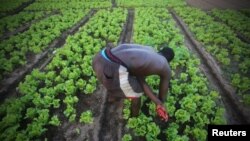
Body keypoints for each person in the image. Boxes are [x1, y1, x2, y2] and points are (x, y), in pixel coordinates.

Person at [92, 44, 174, 122]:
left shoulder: (150, 50)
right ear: (168, 61)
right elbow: (162, 93)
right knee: (137, 92)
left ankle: (113, 97)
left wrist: (157, 102)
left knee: (124, 82)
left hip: (99, 58)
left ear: (160, 51)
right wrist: (160, 103)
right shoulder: (165, 66)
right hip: (112, 69)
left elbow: (140, 79)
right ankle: (134, 117)